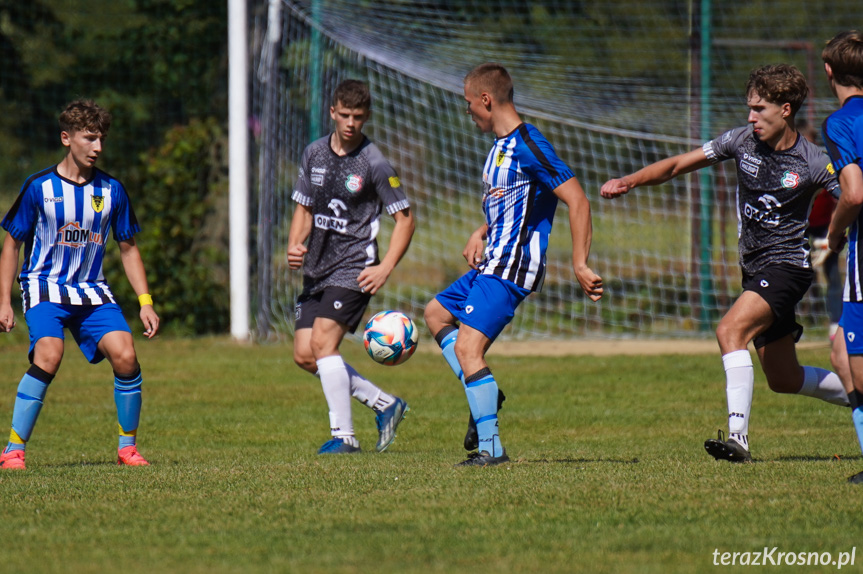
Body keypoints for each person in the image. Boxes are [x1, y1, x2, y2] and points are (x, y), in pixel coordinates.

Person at [601, 64, 847, 463]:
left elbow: (853, 195)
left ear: (786, 110)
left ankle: (738, 440)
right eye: (749, 108)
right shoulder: (740, 141)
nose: (750, 118)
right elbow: (680, 164)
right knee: (785, 379)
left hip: (787, 267)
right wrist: (631, 180)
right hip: (754, 269)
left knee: (729, 330)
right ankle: (860, 392)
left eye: (759, 109)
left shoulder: (814, 161)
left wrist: (836, 236)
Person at [423, 63, 603, 467]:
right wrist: (481, 231)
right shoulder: (498, 148)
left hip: (511, 266)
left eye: (469, 104)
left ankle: (491, 449)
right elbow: (512, 205)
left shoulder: (528, 144)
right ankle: (485, 392)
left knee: (469, 348)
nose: (467, 112)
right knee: (435, 313)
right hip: (492, 258)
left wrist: (579, 263)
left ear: (486, 100)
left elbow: (577, 199)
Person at [0, 99, 159, 470]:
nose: (98, 147)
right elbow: (12, 244)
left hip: (91, 290)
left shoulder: (112, 191)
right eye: (90, 138)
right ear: (66, 138)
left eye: (101, 139)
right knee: (49, 354)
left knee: (126, 354)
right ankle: (13, 451)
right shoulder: (38, 187)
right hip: (45, 287)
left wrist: (145, 301)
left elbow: (129, 248)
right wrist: (4, 300)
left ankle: (127, 450)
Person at [288, 79, 415, 455]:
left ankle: (344, 437)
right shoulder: (314, 154)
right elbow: (304, 207)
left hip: (355, 267)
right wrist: (295, 244)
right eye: (344, 115)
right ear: (332, 112)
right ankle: (384, 404)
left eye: (358, 117)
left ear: (366, 117)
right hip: (317, 269)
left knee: (324, 343)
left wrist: (385, 267)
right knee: (305, 354)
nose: (350, 123)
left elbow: (405, 220)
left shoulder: (374, 163)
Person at [820, 30, 863, 483]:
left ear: (830, 71)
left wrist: (834, 235)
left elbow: (853, 193)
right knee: (838, 354)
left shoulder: (842, 122)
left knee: (857, 365)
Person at [798, 119, 842, 339]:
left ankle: (836, 324)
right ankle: (793, 323)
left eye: (811, 143)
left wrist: (830, 236)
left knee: (833, 276)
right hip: (800, 229)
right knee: (797, 277)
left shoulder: (825, 166)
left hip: (825, 228)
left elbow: (842, 201)